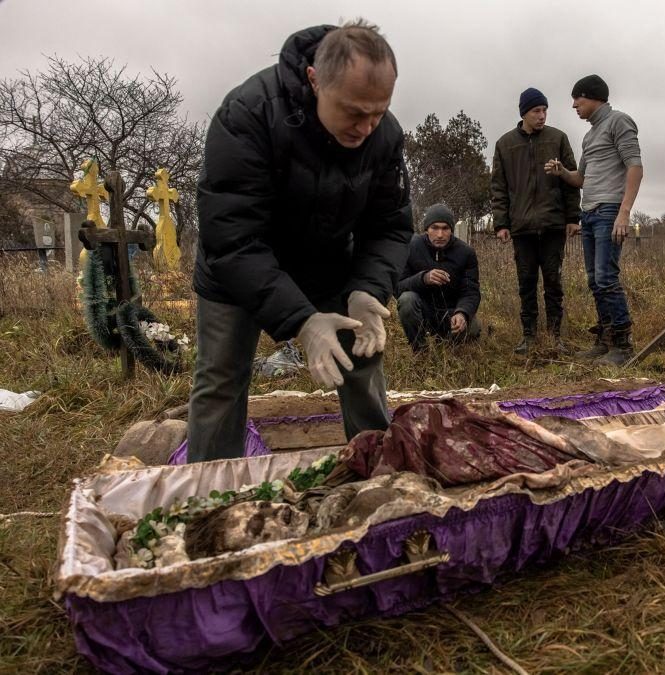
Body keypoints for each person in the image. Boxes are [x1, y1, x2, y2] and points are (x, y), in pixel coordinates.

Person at [188, 21, 412, 462]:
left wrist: (368, 289)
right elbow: (232, 240)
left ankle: (374, 470)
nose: (366, 127)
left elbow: (390, 225)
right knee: (221, 378)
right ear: (314, 79)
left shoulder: (383, 134)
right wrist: (302, 321)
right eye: (353, 112)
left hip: (327, 261)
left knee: (362, 356)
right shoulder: (247, 115)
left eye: (378, 112)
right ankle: (208, 493)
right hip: (238, 267)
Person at [546, 74, 643, 365]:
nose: (574, 105)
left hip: (609, 211)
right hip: (589, 214)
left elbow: (635, 167)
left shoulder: (619, 122)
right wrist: (562, 171)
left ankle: (623, 345)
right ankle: (605, 339)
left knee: (606, 277)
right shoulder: (589, 136)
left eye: (579, 99)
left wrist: (624, 212)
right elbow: (582, 179)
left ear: (595, 97)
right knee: (594, 280)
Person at [491, 87, 580, 355]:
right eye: (536, 111)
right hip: (522, 228)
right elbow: (498, 186)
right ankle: (528, 336)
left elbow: (571, 181)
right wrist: (501, 223)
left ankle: (555, 337)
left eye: (544, 111)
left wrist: (573, 216)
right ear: (524, 114)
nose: (542, 116)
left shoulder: (558, 139)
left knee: (553, 282)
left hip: (553, 225)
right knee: (526, 283)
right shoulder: (505, 144)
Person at [396, 203, 481, 351]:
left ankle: (447, 345)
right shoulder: (411, 247)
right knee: (406, 300)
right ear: (426, 229)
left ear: (451, 230)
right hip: (423, 311)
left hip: (451, 312)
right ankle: (420, 349)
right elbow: (397, 287)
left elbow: (471, 291)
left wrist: (462, 312)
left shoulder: (466, 253)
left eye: (445, 228)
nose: (440, 234)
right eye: (434, 228)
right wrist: (424, 279)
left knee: (473, 328)